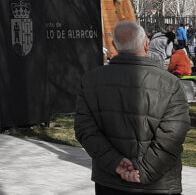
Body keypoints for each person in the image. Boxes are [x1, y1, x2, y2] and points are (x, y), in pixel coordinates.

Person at [76, 21, 189, 194]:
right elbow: (173, 135)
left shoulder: (91, 80)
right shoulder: (169, 83)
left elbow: (86, 130)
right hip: (157, 185)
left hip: (112, 181)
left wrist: (116, 164)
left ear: (114, 46)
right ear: (146, 44)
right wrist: (139, 170)